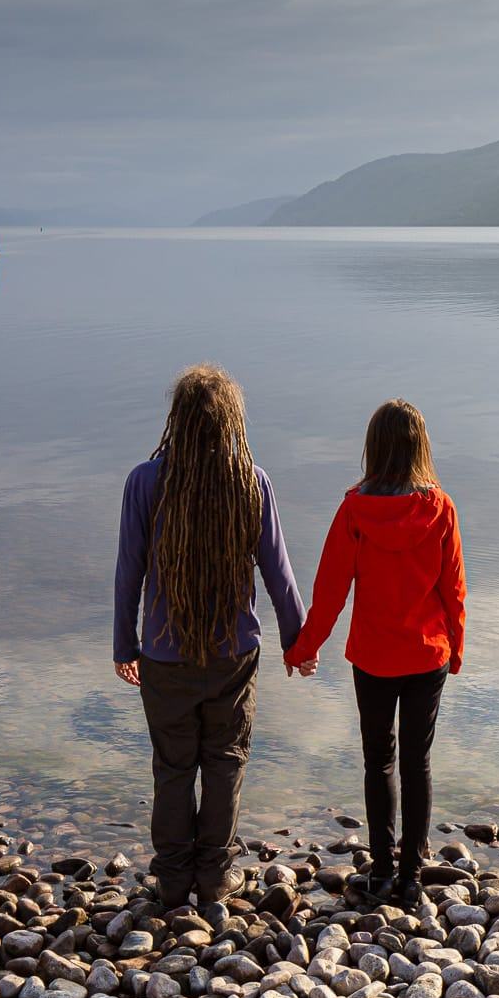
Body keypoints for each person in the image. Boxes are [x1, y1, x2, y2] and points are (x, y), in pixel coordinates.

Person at [114, 364, 306, 909]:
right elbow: (279, 572)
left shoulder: (145, 482)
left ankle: (174, 880)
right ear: (230, 421)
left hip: (163, 654)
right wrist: (297, 641)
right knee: (225, 760)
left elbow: (128, 573)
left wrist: (123, 644)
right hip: (233, 652)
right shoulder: (251, 480)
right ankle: (215, 876)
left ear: (177, 419)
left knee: (173, 765)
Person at [284, 399, 466, 902]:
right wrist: (457, 646)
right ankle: (411, 878)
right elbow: (454, 590)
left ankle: (383, 871)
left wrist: (303, 648)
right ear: (419, 447)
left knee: (378, 760)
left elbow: (329, 592)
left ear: (373, 448)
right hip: (427, 654)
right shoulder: (441, 508)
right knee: (417, 762)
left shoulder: (354, 509)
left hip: (374, 657)